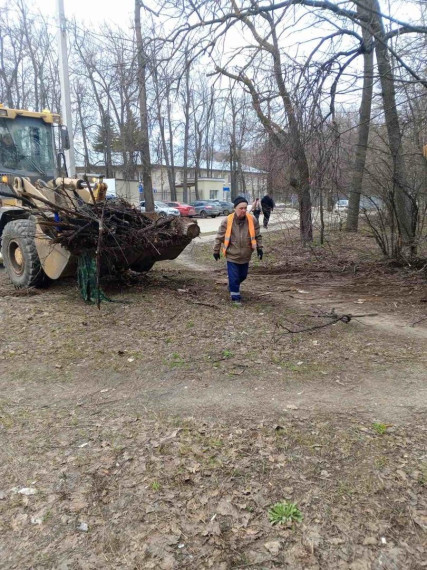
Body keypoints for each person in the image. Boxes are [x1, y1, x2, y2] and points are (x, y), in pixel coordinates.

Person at [213, 196, 263, 304]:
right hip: (232, 255)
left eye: (245, 208)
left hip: (246, 255)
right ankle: (236, 298)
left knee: (243, 276)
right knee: (234, 277)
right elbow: (219, 236)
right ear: (235, 208)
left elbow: (258, 235)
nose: (244, 210)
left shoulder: (252, 219)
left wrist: (260, 248)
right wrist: (216, 250)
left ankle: (232, 285)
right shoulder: (227, 220)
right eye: (241, 208)